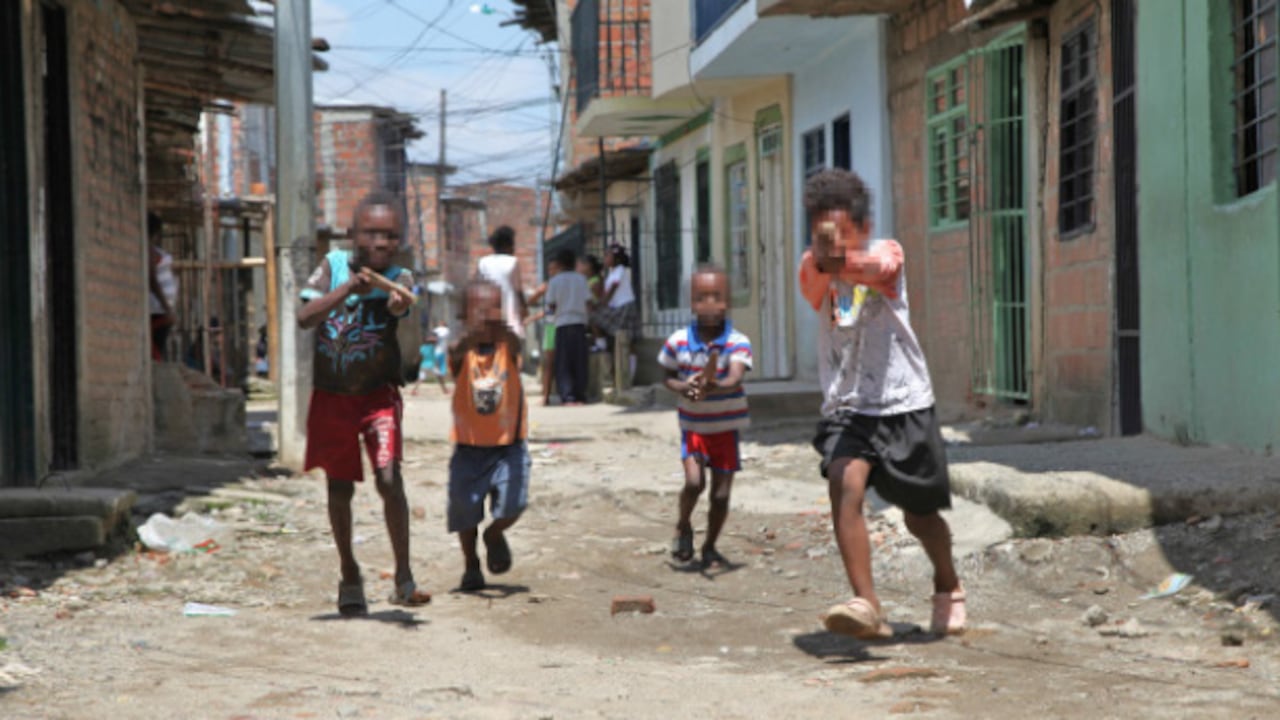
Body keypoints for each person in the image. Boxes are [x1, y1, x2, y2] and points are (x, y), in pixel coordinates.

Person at [798, 169, 964, 639]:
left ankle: (947, 583)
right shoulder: (812, 267)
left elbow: (879, 272)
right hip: (849, 408)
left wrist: (841, 256)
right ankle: (866, 604)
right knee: (843, 480)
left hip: (903, 404)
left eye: (842, 232)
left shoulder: (886, 252)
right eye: (821, 233)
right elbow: (812, 281)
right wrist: (824, 257)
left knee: (920, 516)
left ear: (863, 229)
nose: (830, 242)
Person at [297, 189, 431, 616]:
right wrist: (350, 287)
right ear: (353, 234)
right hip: (333, 399)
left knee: (390, 479)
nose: (380, 243)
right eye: (371, 234)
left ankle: (403, 575)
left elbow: (401, 306)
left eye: (390, 236)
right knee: (339, 487)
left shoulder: (401, 277)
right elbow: (304, 317)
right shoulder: (332, 267)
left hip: (378, 397)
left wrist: (395, 305)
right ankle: (349, 574)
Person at [658, 265, 753, 569]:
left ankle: (710, 546)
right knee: (694, 482)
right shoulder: (678, 341)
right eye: (702, 297)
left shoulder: (738, 341)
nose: (710, 304)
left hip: (725, 428)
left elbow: (735, 376)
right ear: (692, 303)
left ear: (728, 302)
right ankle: (683, 524)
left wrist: (715, 385)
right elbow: (668, 376)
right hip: (694, 428)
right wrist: (684, 387)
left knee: (722, 495)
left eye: (717, 296)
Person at [447, 279, 530, 592]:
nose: (488, 315)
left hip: (509, 446)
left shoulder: (508, 348)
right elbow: (454, 352)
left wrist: (503, 327)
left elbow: (518, 344)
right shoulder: (462, 353)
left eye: (495, 307)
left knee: (514, 503)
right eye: (480, 310)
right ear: (465, 316)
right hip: (468, 448)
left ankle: (494, 534)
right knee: (465, 510)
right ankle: (471, 564)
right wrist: (471, 334)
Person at [543, 248, 591, 405]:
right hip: (579, 323)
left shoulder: (555, 281)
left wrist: (550, 320)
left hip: (562, 324)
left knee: (563, 363)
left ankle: (567, 396)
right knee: (580, 361)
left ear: (560, 264)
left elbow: (551, 305)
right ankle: (580, 395)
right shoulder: (581, 279)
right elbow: (588, 301)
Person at [525, 256, 565, 406]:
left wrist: (543, 289)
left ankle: (547, 396)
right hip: (559, 324)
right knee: (553, 362)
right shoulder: (563, 284)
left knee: (550, 362)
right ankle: (549, 395)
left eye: (553, 269)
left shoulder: (551, 285)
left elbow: (532, 300)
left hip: (554, 326)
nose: (550, 272)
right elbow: (548, 309)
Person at [476, 225, 527, 340]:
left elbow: (477, 288)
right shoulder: (513, 262)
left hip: (488, 318)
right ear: (506, 245)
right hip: (509, 318)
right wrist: (525, 309)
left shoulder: (483, 262)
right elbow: (518, 291)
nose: (514, 248)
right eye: (512, 244)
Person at [148, 212, 179, 362]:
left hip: (161, 309)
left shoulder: (154, 249)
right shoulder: (148, 250)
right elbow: (152, 280)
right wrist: (167, 307)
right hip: (157, 310)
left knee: (158, 347)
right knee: (155, 350)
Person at [412, 329, 450, 396]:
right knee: (440, 377)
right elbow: (435, 341)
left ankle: (414, 390)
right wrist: (434, 337)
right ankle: (445, 390)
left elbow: (419, 356)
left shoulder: (422, 348)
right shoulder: (432, 346)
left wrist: (416, 361)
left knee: (420, 378)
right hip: (432, 365)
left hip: (424, 365)